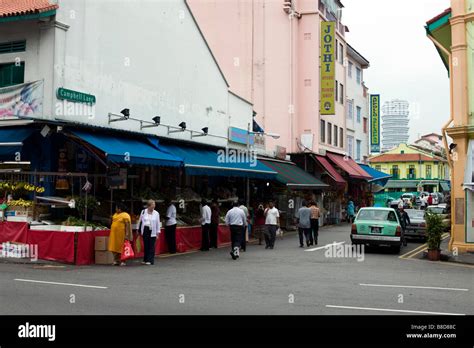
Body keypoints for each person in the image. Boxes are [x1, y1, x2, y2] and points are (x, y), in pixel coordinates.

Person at [138, 199, 161, 265]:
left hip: (153, 230)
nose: (154, 206)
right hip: (145, 229)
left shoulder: (156, 213)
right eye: (152, 205)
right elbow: (140, 221)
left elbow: (157, 223)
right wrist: (138, 229)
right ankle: (145, 259)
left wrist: (157, 233)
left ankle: (150, 260)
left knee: (151, 245)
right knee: (146, 245)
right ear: (148, 206)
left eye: (154, 205)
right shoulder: (143, 212)